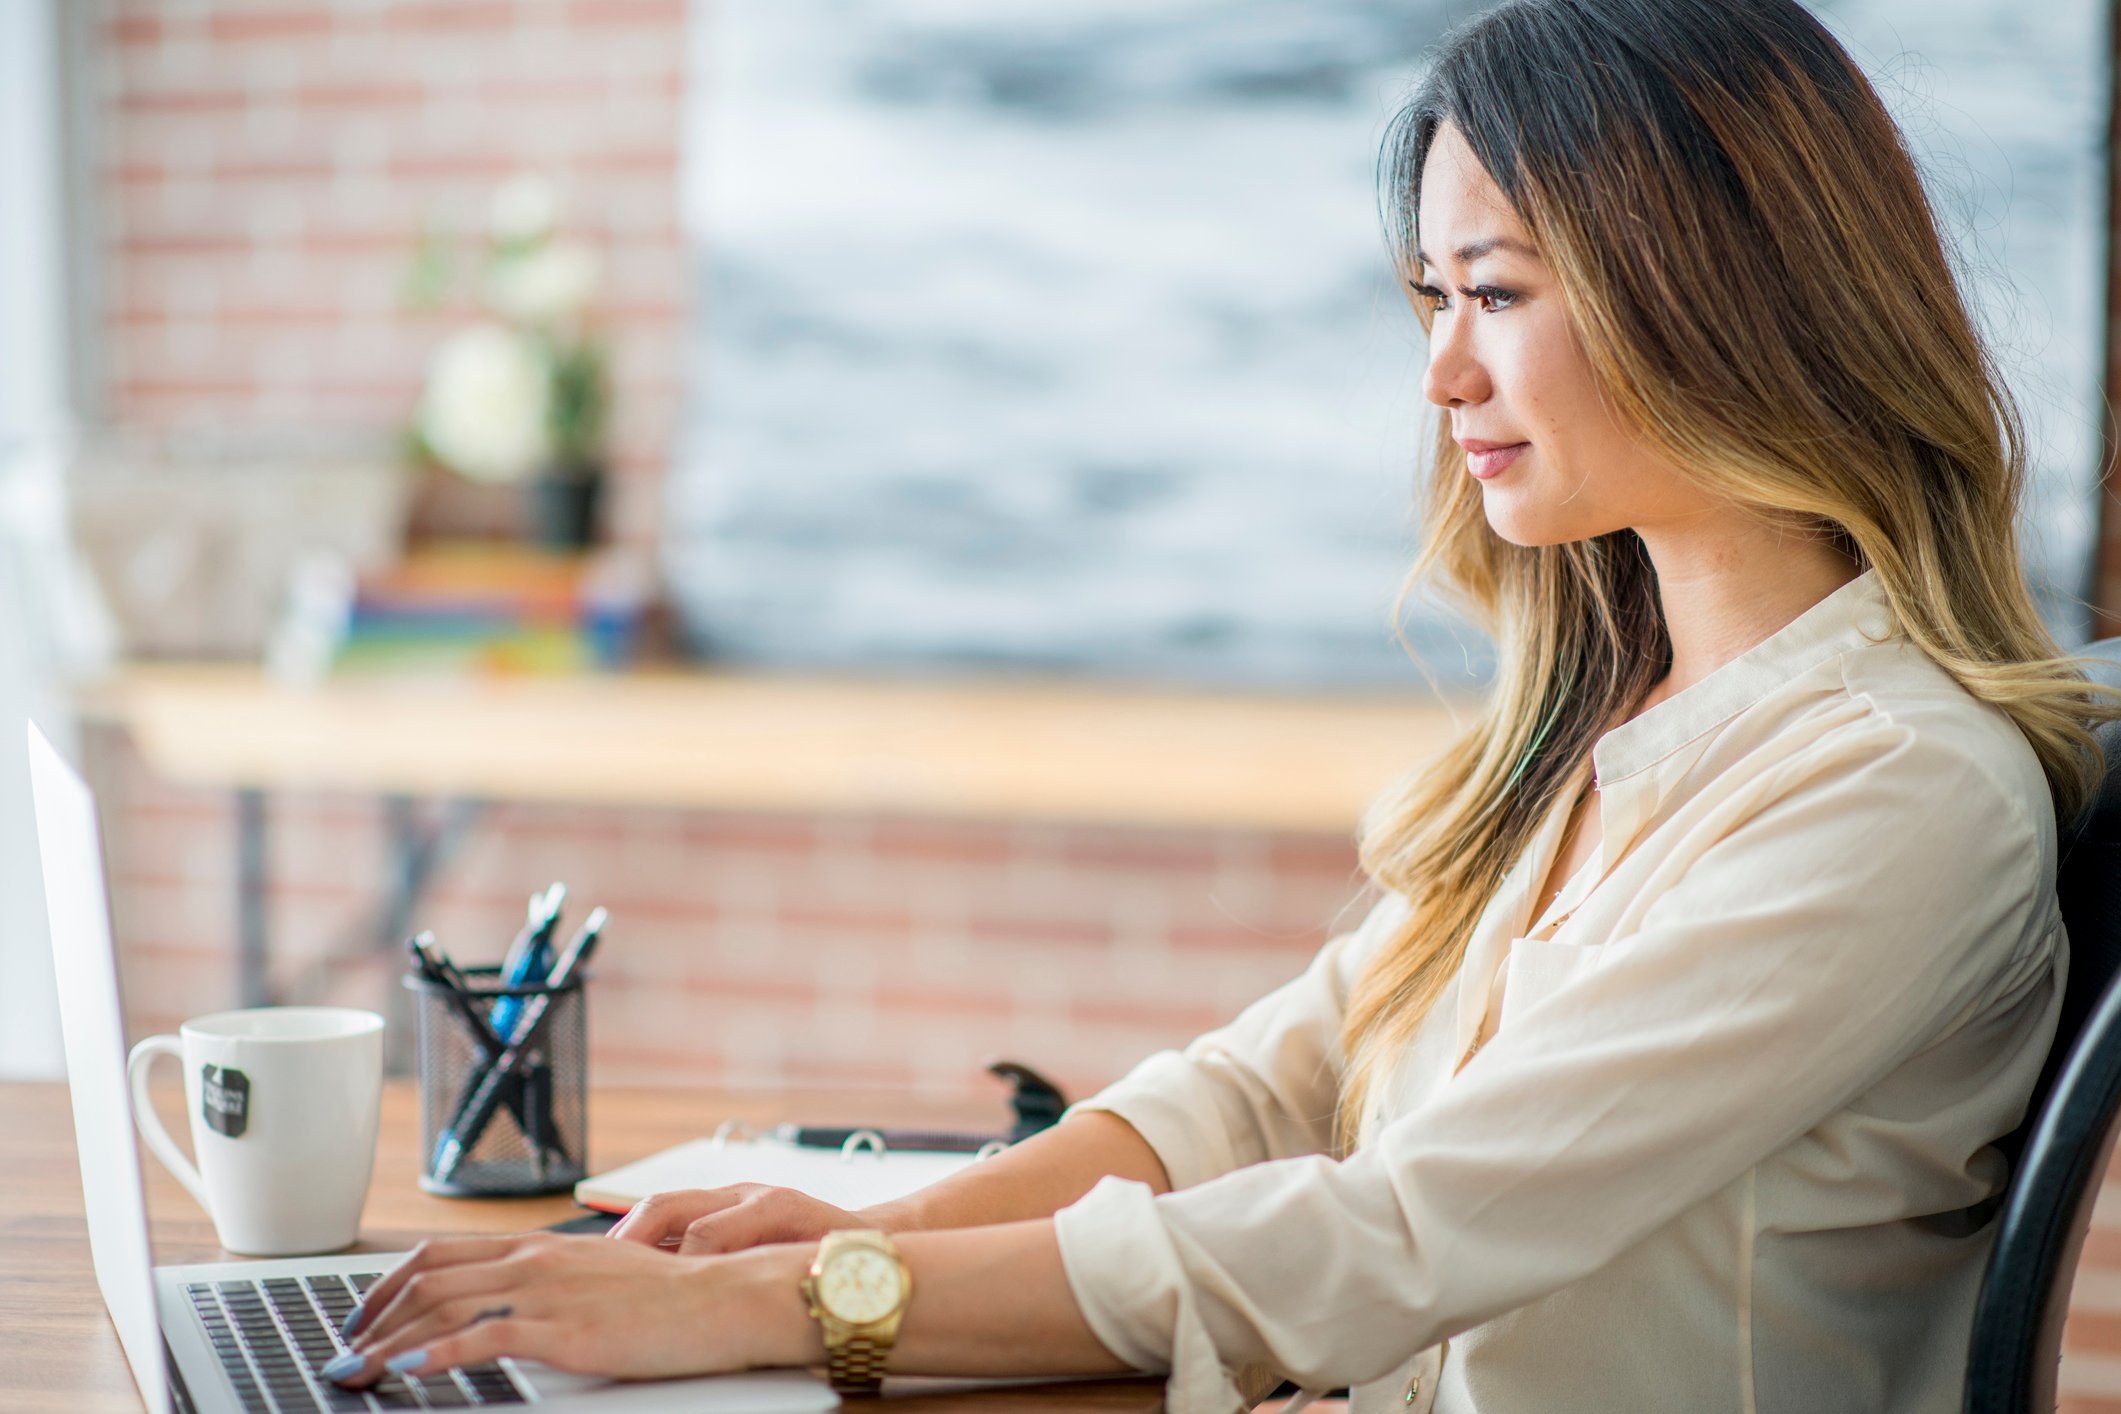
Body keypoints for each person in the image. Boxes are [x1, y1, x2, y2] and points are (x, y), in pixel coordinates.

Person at [322, 0, 2121, 1409]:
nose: (1439, 369)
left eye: (1491, 293)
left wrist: (766, 1310)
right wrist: (874, 1235)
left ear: (1714, 296)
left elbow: (1395, 1227)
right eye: (1430, 295)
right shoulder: (1619, 715)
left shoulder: (1890, 792)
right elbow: (1287, 1078)